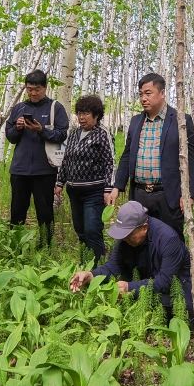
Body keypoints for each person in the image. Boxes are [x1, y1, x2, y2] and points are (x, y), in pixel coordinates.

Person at [69, 200, 193, 324]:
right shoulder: (126, 239)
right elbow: (113, 266)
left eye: (128, 234)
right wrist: (91, 275)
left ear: (144, 228)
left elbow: (164, 282)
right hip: (147, 284)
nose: (124, 238)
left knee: (177, 312)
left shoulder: (168, 240)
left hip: (174, 292)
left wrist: (129, 287)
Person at [108, 73, 194, 238]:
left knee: (171, 240)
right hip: (140, 194)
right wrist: (117, 186)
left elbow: (191, 159)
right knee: (141, 241)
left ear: (162, 93)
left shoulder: (181, 120)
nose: (143, 98)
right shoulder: (136, 122)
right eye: (141, 94)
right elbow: (127, 155)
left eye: (148, 93)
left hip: (168, 195)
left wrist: (189, 194)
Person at [4, 70, 69, 246]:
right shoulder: (19, 108)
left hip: (44, 170)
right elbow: (10, 137)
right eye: (29, 89)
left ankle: (46, 246)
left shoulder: (55, 108)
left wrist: (41, 130)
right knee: (17, 210)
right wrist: (17, 128)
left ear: (45, 88)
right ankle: (15, 245)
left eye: (37, 89)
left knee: (45, 211)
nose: (33, 93)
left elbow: (62, 135)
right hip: (19, 170)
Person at [55, 94, 115, 266]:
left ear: (96, 115)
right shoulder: (74, 134)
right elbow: (66, 159)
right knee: (80, 230)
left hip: (94, 192)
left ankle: (98, 268)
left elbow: (110, 162)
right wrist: (60, 182)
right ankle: (84, 264)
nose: (81, 117)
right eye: (79, 113)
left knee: (92, 230)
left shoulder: (102, 134)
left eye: (86, 113)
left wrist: (108, 189)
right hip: (74, 191)